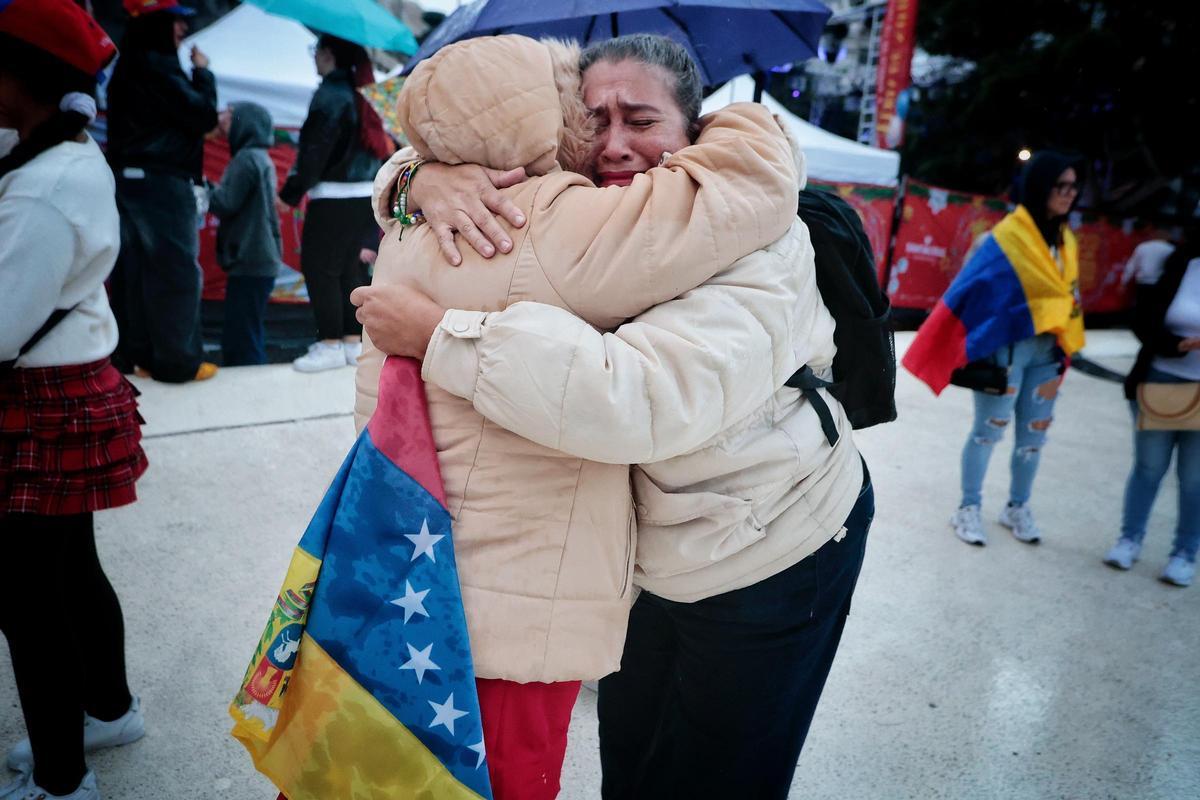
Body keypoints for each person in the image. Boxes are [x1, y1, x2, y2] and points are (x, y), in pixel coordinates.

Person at [355, 34, 871, 800]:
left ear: (694, 130)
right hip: (645, 558)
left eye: (642, 119)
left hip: (772, 546)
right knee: (628, 761)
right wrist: (421, 178)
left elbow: (639, 397)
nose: (616, 144)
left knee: (720, 776)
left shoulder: (757, 241)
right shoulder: (589, 210)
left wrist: (439, 336)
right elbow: (447, 162)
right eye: (593, 119)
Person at [0, 2, 148, 799]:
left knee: (27, 600)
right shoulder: (57, 153)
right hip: (70, 381)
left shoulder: (43, 187)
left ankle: (62, 781)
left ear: (24, 80)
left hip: (42, 395)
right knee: (70, 572)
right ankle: (108, 708)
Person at [930, 151, 1086, 546]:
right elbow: (969, 292)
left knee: (1034, 437)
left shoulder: (1066, 241)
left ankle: (1017, 506)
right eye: (1060, 186)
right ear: (1040, 187)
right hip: (1007, 353)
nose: (1069, 194)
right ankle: (968, 507)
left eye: (1073, 186)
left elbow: (1069, 295)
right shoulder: (1001, 239)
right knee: (987, 432)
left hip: (1048, 355)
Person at [106, 0, 218, 383]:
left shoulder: (126, 64)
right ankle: (176, 362)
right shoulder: (160, 66)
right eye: (176, 23)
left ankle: (137, 355)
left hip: (126, 180)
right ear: (159, 25)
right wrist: (203, 75)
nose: (183, 30)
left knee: (133, 272)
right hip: (162, 182)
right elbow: (202, 116)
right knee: (174, 272)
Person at [280, 34, 392, 373]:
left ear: (328, 55)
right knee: (346, 268)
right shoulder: (360, 92)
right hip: (362, 193)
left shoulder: (331, 94)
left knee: (320, 267)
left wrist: (289, 193)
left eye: (316, 51)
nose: (314, 58)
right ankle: (349, 341)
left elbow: (314, 152)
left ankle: (329, 343)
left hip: (334, 194)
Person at [1104, 220, 1200, 586]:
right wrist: (1176, 345)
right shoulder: (1178, 262)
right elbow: (1142, 319)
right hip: (1162, 378)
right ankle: (1129, 539)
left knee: (1194, 480)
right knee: (1148, 467)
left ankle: (1184, 554)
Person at [207, 102, 282, 366]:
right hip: (261, 256)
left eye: (229, 114)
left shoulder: (246, 158)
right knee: (248, 330)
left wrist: (204, 186)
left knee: (241, 338)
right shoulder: (261, 157)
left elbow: (225, 203)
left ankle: (250, 392)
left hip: (250, 256)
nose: (223, 118)